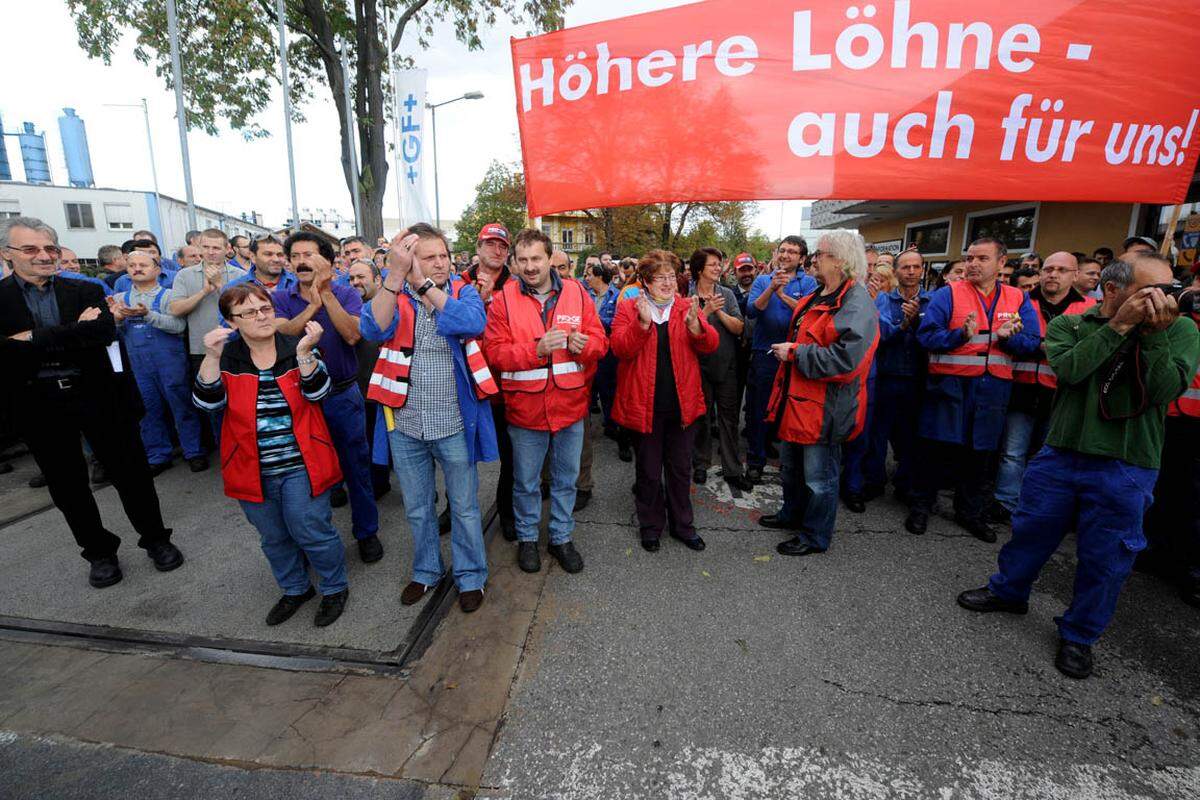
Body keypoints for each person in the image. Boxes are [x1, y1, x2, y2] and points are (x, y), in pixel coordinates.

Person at [958, 254, 1200, 678]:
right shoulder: (1074, 324)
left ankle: (1080, 635)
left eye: (1169, 287)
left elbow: (1164, 390)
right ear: (1112, 291)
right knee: (1030, 532)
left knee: (1106, 558)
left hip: (1127, 464)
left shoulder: (1179, 330)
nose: (1165, 297)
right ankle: (1009, 591)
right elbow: (1069, 371)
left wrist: (1154, 336)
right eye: (1153, 289)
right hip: (1062, 453)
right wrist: (1119, 327)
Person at [0, 216, 183, 588]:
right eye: (31, 249)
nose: (43, 256)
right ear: (7, 254)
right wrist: (72, 334)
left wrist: (32, 338)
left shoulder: (83, 290)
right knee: (67, 486)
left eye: (50, 248)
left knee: (132, 475)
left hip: (98, 396)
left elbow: (99, 332)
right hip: (39, 404)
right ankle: (99, 553)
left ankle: (156, 540)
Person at [193, 284, 349, 628]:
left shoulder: (296, 347)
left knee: (312, 530)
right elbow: (206, 402)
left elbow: (319, 391)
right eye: (248, 312)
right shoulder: (228, 355)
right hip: (250, 466)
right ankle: (295, 589)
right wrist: (212, 356)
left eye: (264, 308)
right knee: (274, 537)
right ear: (232, 322)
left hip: (301, 463)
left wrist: (308, 352)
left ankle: (334, 587)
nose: (261, 316)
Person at [362, 224, 497, 614]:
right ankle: (426, 571)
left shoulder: (461, 291)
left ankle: (471, 576)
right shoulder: (394, 293)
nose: (440, 263)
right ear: (411, 259)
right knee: (418, 507)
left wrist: (423, 286)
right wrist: (394, 276)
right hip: (404, 424)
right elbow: (372, 328)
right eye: (429, 257)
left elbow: (472, 324)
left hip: (454, 423)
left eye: (443, 255)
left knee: (465, 506)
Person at [484, 228, 607, 574]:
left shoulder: (576, 292)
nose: (529, 266)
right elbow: (494, 353)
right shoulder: (503, 299)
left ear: (550, 257)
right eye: (522, 260)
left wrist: (589, 346)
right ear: (514, 262)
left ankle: (560, 538)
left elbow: (601, 340)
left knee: (566, 480)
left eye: (536, 258)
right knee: (525, 483)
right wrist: (536, 350)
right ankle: (527, 540)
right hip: (525, 411)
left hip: (570, 406)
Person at [904, 237, 1040, 541]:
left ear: (1002, 263)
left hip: (993, 389)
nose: (973, 264)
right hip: (950, 386)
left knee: (980, 455)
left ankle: (970, 512)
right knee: (934, 450)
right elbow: (926, 336)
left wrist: (1007, 338)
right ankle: (921, 506)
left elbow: (1032, 342)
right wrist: (959, 335)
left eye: (982, 259)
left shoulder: (1018, 298)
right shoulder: (947, 293)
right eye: (970, 258)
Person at [761, 230, 879, 556]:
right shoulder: (819, 294)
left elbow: (847, 360)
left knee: (819, 478)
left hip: (825, 409)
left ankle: (815, 535)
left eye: (822, 254)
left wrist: (796, 353)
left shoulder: (856, 303)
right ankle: (791, 515)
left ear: (841, 261)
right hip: (798, 402)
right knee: (792, 468)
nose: (815, 259)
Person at [272, 232, 382, 563]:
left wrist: (326, 294)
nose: (302, 261)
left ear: (328, 262)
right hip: (299, 400)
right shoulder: (279, 297)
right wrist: (313, 307)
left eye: (310, 255)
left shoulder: (347, 293)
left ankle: (367, 532)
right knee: (305, 474)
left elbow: (351, 334)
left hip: (342, 394)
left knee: (356, 468)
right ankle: (314, 542)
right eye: (296, 255)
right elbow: (284, 332)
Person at [611, 249, 719, 552]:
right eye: (661, 278)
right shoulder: (630, 307)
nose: (669, 283)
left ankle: (683, 526)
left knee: (680, 469)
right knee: (647, 470)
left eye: (672, 276)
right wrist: (642, 325)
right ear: (645, 281)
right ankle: (650, 526)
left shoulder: (687, 306)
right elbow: (620, 349)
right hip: (644, 406)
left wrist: (698, 328)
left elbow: (710, 345)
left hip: (682, 405)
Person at [993, 252, 1095, 521]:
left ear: (1074, 275)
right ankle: (1005, 503)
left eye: (1061, 270)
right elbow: (1008, 339)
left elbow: (1089, 351)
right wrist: (1042, 347)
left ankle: (1042, 508)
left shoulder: (1088, 309)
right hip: (1022, 388)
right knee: (1012, 453)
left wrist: (1045, 347)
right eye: (1048, 269)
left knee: (1050, 456)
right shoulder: (1023, 302)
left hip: (1062, 394)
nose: (1052, 274)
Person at [114, 250, 208, 474]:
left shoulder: (169, 296)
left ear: (157, 269)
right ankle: (158, 455)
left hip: (169, 363)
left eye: (143, 265)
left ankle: (194, 452)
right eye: (132, 265)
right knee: (147, 410)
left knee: (182, 406)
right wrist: (116, 320)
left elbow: (179, 327)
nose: (137, 268)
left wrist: (148, 315)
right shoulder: (119, 299)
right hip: (138, 365)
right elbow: (112, 337)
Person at [461, 222, 518, 539]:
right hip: (465, 386)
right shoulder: (457, 282)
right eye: (491, 244)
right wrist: (477, 303)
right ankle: (454, 510)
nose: (497, 250)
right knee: (458, 457)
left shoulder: (516, 286)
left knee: (511, 455)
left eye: (503, 246)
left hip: (502, 386)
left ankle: (506, 511)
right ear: (479, 247)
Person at [744, 236, 818, 482]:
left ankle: (787, 462)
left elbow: (809, 313)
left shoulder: (809, 283)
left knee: (789, 410)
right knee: (758, 410)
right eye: (783, 250)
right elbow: (752, 310)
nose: (786, 255)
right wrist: (771, 288)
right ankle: (755, 460)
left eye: (792, 252)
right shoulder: (763, 279)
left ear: (802, 258)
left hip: (794, 356)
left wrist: (784, 295)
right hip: (765, 354)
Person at [864, 248, 930, 503]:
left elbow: (932, 337)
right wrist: (903, 324)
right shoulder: (882, 300)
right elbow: (882, 335)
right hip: (886, 375)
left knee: (910, 435)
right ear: (896, 272)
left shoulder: (933, 301)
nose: (911, 272)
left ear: (922, 270)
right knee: (878, 432)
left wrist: (916, 323)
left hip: (917, 378)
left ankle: (905, 483)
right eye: (905, 267)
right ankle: (874, 480)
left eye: (916, 267)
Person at [687, 247, 750, 491]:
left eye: (719, 263)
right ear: (700, 268)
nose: (718, 268)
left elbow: (738, 328)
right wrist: (706, 310)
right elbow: (687, 331)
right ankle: (700, 464)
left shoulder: (727, 294)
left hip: (727, 366)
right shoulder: (688, 295)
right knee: (701, 418)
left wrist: (720, 310)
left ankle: (732, 469)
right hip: (698, 366)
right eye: (713, 264)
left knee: (729, 419)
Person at [168, 228, 248, 376]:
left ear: (227, 249)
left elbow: (246, 308)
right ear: (199, 248)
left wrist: (220, 286)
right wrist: (204, 292)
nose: (211, 252)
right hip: (201, 348)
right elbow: (175, 310)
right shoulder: (184, 275)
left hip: (237, 345)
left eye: (216, 248)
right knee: (207, 393)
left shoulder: (240, 275)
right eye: (206, 247)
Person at [229, 235, 297, 292]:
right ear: (253, 257)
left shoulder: (301, 285)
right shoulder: (233, 289)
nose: (276, 259)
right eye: (268, 254)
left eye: (280, 255)